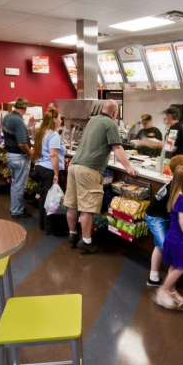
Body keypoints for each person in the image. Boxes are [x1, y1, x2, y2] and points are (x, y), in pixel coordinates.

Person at [65, 99, 137, 254]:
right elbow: (117, 147)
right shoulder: (111, 123)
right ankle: (86, 241)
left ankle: (72, 233)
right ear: (115, 113)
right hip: (89, 169)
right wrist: (128, 167)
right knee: (87, 208)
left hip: (74, 165)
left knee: (72, 203)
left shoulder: (92, 120)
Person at [153, 166, 183, 310]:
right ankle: (163, 290)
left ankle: (172, 291)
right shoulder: (182, 199)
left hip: (172, 236)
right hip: (179, 238)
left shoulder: (176, 194)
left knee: (174, 266)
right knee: (182, 266)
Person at [144, 155, 183, 287]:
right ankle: (166, 282)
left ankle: (155, 278)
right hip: (155, 216)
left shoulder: (176, 184)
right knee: (164, 246)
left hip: (163, 217)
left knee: (160, 246)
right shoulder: (177, 188)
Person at [32, 109, 66, 235]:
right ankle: (51, 227)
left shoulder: (42, 132)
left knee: (44, 196)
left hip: (40, 167)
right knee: (52, 199)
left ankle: (43, 223)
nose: (61, 120)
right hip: (49, 169)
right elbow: (53, 155)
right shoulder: (54, 135)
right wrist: (56, 173)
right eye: (59, 118)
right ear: (54, 119)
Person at [1, 97, 32, 219]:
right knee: (19, 185)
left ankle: (15, 207)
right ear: (25, 108)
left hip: (10, 155)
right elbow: (22, 143)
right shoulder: (18, 121)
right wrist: (30, 153)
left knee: (15, 183)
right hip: (19, 156)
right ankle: (17, 211)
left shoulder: (7, 117)